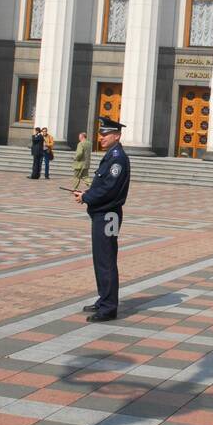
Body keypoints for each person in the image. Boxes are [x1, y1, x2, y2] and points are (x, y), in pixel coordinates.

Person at [74, 116, 130, 323]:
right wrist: (88, 192)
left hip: (109, 214)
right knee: (101, 259)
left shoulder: (117, 158)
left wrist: (86, 197)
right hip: (104, 214)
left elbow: (110, 188)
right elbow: (103, 184)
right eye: (101, 134)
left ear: (116, 136)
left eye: (105, 134)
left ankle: (108, 307)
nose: (101, 137)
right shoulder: (111, 155)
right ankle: (104, 298)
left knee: (106, 260)